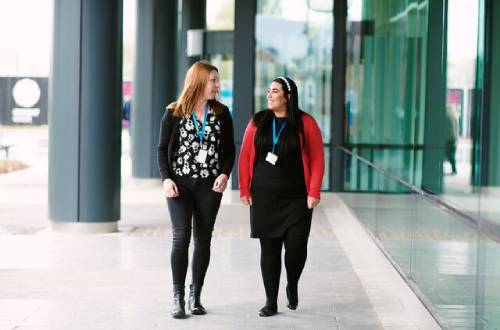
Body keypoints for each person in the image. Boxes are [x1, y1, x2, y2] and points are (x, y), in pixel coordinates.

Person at [238, 76, 325, 316]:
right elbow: (245, 156)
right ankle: (270, 301)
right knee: (270, 250)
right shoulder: (258, 121)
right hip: (264, 199)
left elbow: (317, 158)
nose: (269, 95)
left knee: (296, 249)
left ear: (288, 96)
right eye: (269, 90)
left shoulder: (305, 122)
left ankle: (292, 283)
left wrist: (314, 191)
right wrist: (244, 188)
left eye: (274, 91)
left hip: (298, 198)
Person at [157, 60, 235, 319]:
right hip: (180, 185)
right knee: (181, 237)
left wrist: (224, 173)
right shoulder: (174, 112)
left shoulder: (222, 113)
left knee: (203, 239)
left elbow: (229, 150)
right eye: (213, 80)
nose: (217, 85)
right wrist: (166, 179)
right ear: (199, 81)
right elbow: (162, 149)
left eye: (217, 80)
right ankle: (177, 297)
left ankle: (195, 296)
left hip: (209, 187)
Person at [445, 106, 459, 175]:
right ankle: (454, 169)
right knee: (451, 155)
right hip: (452, 138)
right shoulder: (454, 117)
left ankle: (454, 170)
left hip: (448, 138)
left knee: (449, 155)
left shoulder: (447, 117)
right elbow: (456, 130)